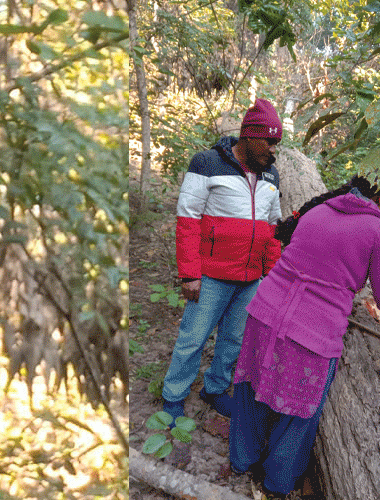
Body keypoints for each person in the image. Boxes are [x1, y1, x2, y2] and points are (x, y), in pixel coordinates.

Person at [227, 175, 380, 499]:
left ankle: (241, 460)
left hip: (264, 313)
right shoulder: (377, 230)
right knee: (300, 413)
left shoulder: (318, 210)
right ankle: (277, 484)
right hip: (313, 333)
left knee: (250, 385)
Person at [164, 98, 284, 421]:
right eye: (269, 141)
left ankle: (215, 388)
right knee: (193, 338)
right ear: (249, 135)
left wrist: (271, 278)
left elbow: (273, 230)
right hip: (212, 276)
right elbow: (187, 218)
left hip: (249, 279)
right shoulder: (207, 163)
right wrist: (189, 273)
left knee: (233, 341)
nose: (274, 149)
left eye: (277, 143)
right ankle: (173, 396)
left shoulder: (271, 176)